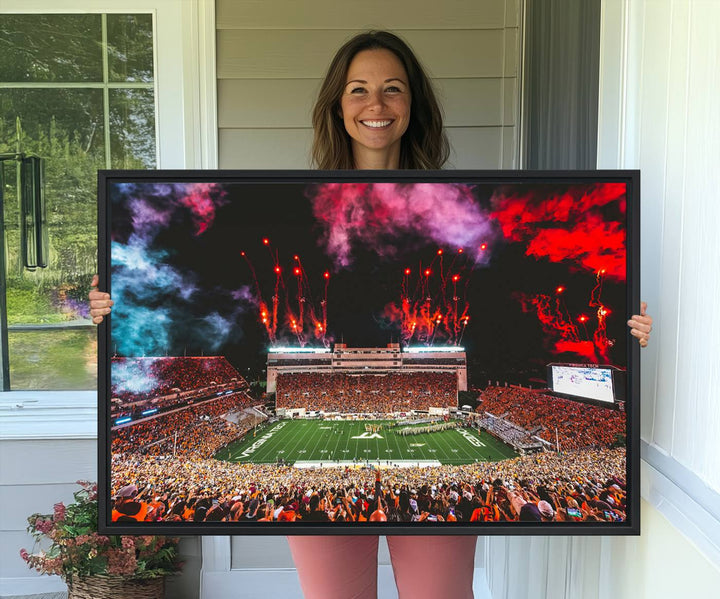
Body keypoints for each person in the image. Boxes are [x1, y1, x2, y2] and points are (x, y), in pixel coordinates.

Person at [89, 30, 653, 598]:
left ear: (413, 104)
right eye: (358, 89)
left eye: (393, 89)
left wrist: (626, 329)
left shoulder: (460, 198)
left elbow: (514, 293)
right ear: (338, 104)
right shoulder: (296, 204)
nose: (376, 105)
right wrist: (112, 305)